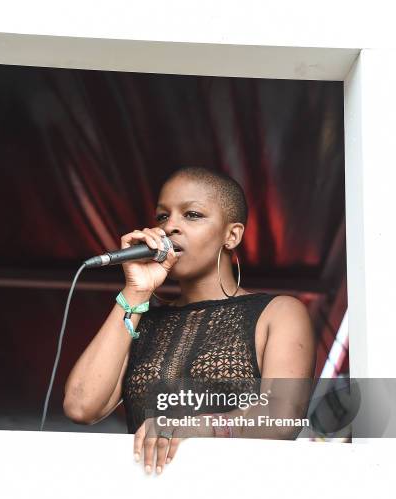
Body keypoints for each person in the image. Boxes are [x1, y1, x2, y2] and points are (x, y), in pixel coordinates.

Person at [63, 166, 316, 474]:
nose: (171, 227)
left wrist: (188, 428)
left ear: (231, 235)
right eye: (162, 216)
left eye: (192, 215)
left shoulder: (278, 313)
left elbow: (281, 417)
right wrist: (135, 292)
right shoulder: (143, 319)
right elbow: (80, 406)